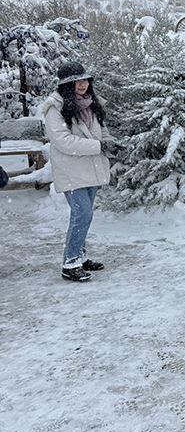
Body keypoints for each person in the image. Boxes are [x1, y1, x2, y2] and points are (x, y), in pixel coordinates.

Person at [42, 61, 116, 282]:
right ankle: (70, 262)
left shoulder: (91, 104)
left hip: (91, 167)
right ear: (67, 84)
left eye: (85, 80)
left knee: (84, 215)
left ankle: (80, 257)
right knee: (82, 214)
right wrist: (98, 146)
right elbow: (63, 141)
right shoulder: (55, 108)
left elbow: (101, 131)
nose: (82, 84)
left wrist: (110, 144)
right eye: (77, 81)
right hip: (71, 169)